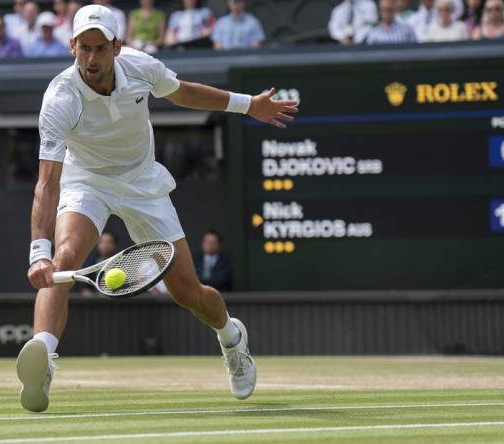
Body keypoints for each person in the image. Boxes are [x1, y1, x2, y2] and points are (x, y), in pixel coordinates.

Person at [19, 4, 297, 412]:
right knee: (64, 260)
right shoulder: (60, 98)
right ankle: (42, 357)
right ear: (72, 46)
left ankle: (232, 339)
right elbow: (47, 183)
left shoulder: (140, 67)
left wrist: (246, 105)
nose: (91, 59)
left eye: (100, 49)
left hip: (142, 183)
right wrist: (38, 252)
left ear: (117, 46)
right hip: (87, 181)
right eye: (84, 49)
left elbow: (183, 92)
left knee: (188, 293)